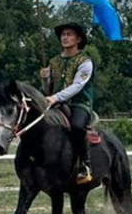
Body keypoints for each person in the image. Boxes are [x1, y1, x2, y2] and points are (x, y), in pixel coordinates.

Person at [39, 22, 98, 184]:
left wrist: (55, 98)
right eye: (63, 35)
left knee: (77, 127)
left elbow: (77, 86)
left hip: (79, 104)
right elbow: (48, 89)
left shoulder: (85, 62)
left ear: (78, 39)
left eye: (69, 34)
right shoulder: (54, 62)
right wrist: (45, 78)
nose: (64, 37)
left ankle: (85, 165)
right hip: (56, 104)